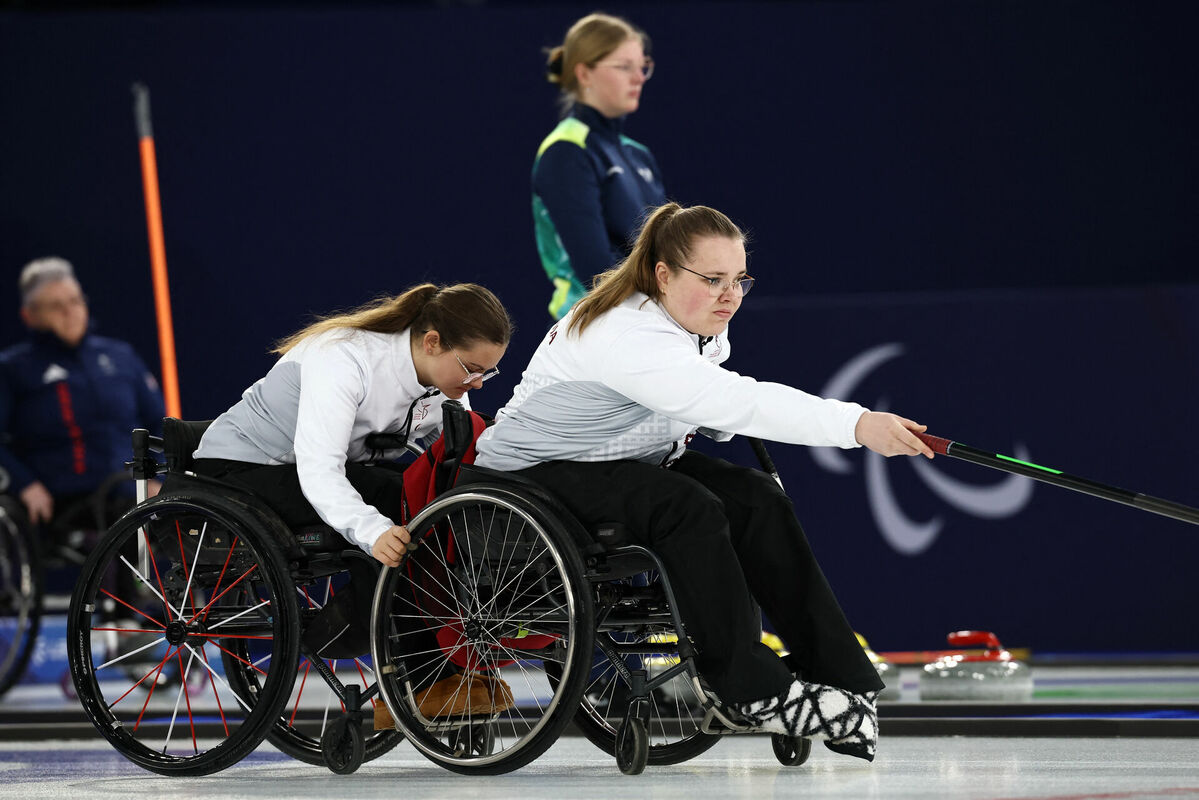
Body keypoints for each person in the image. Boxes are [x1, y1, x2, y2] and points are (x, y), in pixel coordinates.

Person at [475, 203, 936, 762]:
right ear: (663, 275)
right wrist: (857, 424)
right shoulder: (626, 333)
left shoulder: (695, 329)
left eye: (739, 279)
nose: (730, 295)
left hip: (627, 461)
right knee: (686, 506)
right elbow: (731, 399)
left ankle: (839, 676)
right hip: (532, 478)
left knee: (756, 498)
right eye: (713, 280)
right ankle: (740, 688)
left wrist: (706, 415)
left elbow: (703, 402)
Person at [191, 282, 514, 721]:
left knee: (436, 500)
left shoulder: (444, 381)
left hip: (327, 470)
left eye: (486, 373)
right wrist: (373, 531)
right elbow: (320, 470)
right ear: (432, 341)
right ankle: (421, 679)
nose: (475, 382)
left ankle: (455, 664)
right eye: (471, 369)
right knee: (394, 507)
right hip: (242, 471)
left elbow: (453, 461)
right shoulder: (344, 357)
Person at [0, 257, 164, 537]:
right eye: (56, 306)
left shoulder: (120, 356)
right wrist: (24, 485)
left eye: (75, 301)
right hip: (63, 499)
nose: (70, 311)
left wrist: (157, 478)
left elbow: (160, 425)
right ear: (30, 315)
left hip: (128, 489)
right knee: (116, 531)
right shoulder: (13, 368)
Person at [534, 12, 666, 320]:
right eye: (624, 67)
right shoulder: (566, 150)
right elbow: (595, 270)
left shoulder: (639, 154)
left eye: (642, 67)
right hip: (590, 327)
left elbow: (665, 250)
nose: (638, 78)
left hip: (646, 321)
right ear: (584, 74)